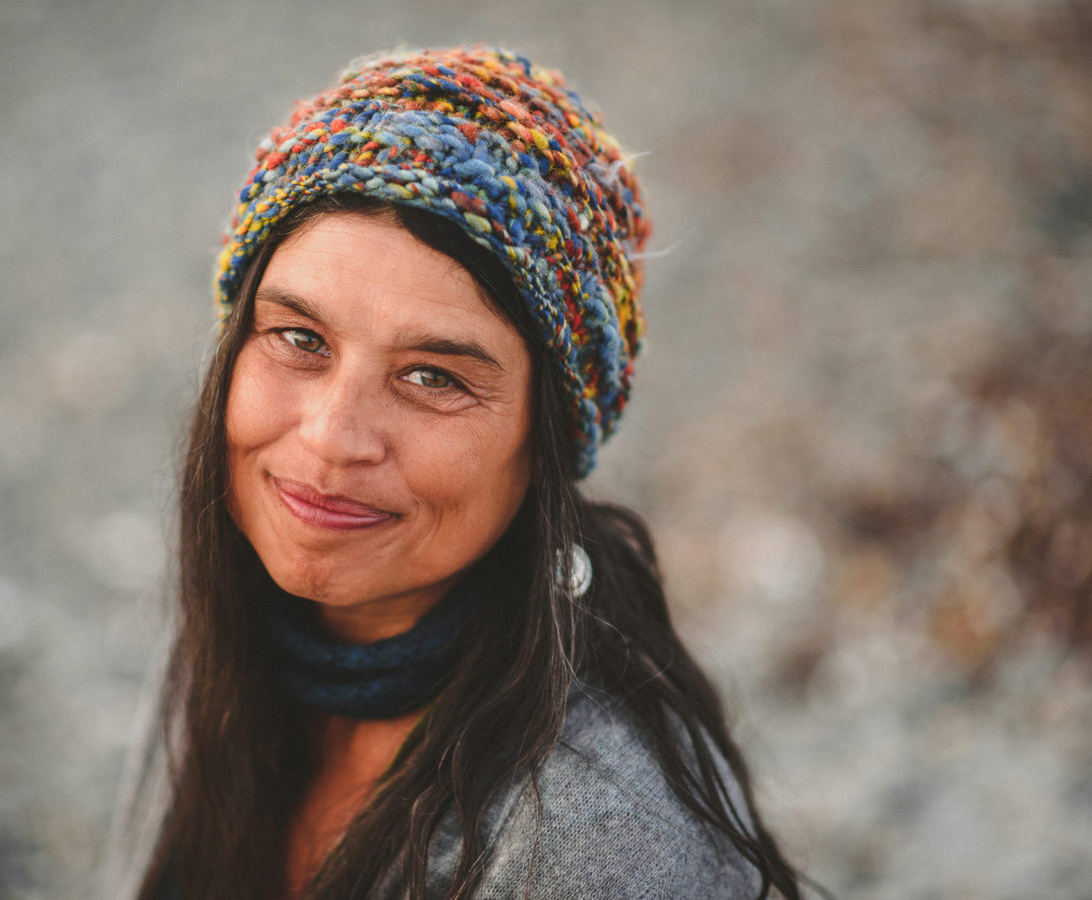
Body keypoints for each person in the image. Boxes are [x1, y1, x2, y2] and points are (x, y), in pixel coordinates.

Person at [105, 46, 805, 899]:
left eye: (433, 376)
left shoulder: (596, 840)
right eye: (298, 338)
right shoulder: (227, 629)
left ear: (544, 447)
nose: (331, 438)